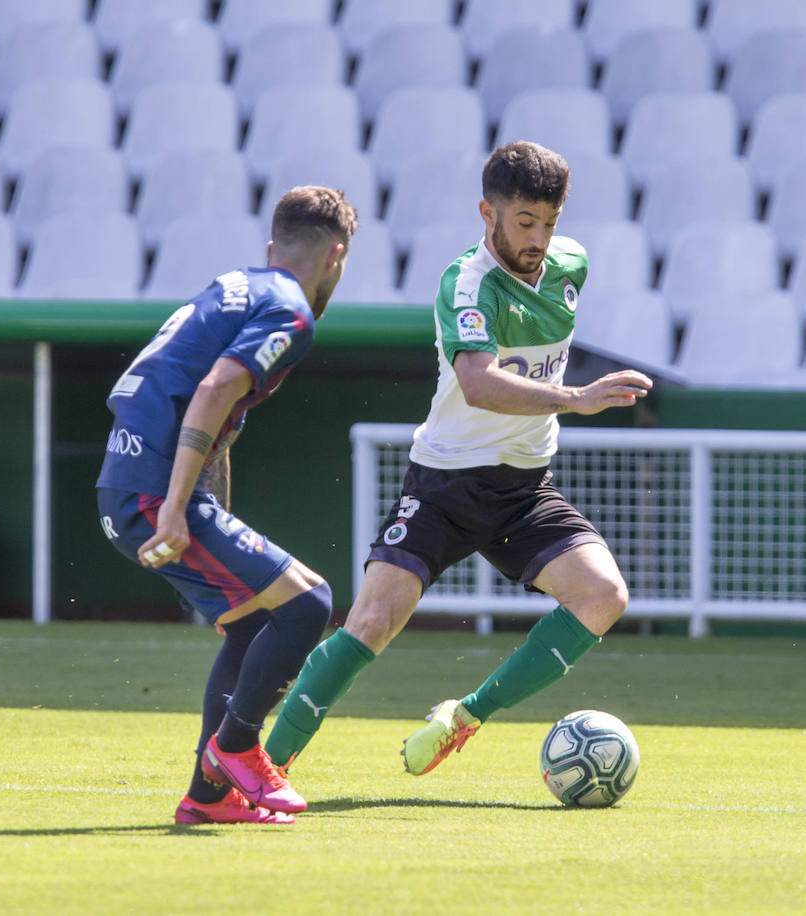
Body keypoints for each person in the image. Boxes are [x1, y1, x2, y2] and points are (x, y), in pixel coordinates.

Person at [264, 141, 654, 783]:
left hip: (525, 490)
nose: (538, 237)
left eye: (550, 223)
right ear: (487, 212)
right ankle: (264, 764)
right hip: (445, 486)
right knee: (371, 623)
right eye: (524, 222)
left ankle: (467, 718)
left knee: (604, 595)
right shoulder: (466, 283)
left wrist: (565, 403)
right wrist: (575, 399)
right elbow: (478, 382)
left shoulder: (570, 265)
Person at [97, 186, 358, 825]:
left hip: (129, 480)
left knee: (253, 621)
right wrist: (177, 508)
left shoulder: (237, 286)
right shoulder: (292, 312)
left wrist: (217, 522)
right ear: (337, 258)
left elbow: (220, 416)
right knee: (311, 604)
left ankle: (207, 799)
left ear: (274, 247)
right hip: (152, 490)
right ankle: (236, 748)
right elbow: (213, 394)